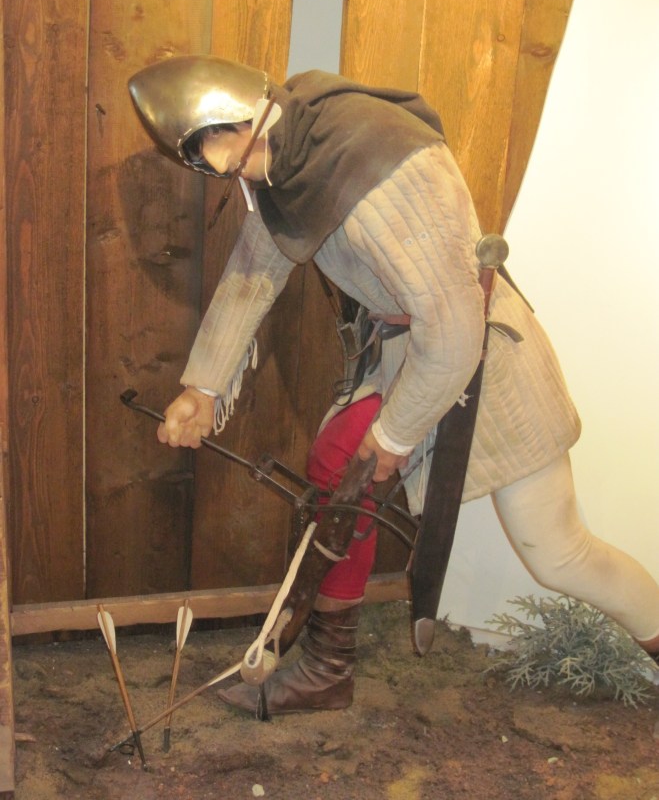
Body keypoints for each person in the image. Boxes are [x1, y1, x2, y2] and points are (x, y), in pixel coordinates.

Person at [128, 55, 659, 714]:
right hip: (408, 356)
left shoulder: (377, 170)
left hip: (485, 366)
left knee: (558, 553)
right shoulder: (289, 152)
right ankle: (326, 668)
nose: (228, 174)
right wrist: (204, 387)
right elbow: (257, 266)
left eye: (226, 157)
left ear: (245, 118)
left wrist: (394, 435)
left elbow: (455, 330)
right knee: (338, 470)